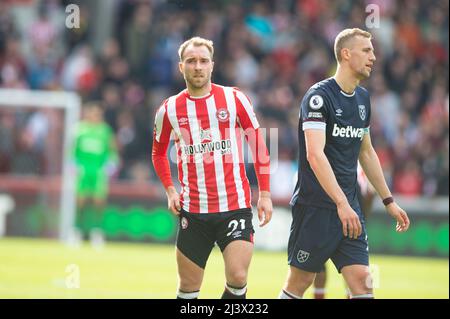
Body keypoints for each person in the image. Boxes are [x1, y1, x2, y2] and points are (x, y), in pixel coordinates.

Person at [279, 28, 410, 299]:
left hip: (349, 209)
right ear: (346, 54)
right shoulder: (318, 97)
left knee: (363, 281)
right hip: (317, 208)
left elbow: (367, 152)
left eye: (373, 51)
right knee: (299, 283)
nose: (373, 57)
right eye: (367, 50)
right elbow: (315, 155)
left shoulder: (363, 99)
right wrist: (341, 204)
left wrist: (389, 201)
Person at [152, 37, 273, 299]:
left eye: (203, 61)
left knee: (238, 277)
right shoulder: (169, 109)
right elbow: (158, 152)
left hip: (235, 205)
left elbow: (259, 146)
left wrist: (264, 194)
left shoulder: (234, 99)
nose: (198, 66)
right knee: (188, 287)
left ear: (212, 65)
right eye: (191, 61)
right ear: (181, 67)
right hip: (194, 210)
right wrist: (171, 190)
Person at [313, 162, 376, 299]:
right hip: (325, 220)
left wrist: (363, 219)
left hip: (348, 223)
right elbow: (371, 193)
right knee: (312, 273)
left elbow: (371, 192)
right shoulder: (323, 159)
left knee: (355, 274)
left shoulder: (359, 166)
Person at [72, 102, 118, 244]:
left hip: (99, 172)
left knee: (99, 202)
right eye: (93, 113)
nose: (95, 116)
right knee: (80, 201)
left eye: (98, 114)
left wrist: (111, 165)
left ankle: (97, 232)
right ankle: (76, 231)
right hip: (83, 171)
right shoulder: (79, 130)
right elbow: (72, 152)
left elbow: (112, 151)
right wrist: (73, 165)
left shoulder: (105, 131)